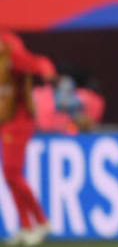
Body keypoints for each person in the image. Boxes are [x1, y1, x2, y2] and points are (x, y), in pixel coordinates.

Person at [0, 30, 54, 246]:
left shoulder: (12, 55)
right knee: (10, 175)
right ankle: (26, 225)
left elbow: (37, 63)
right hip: (8, 121)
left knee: (13, 173)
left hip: (19, 121)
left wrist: (46, 69)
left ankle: (40, 221)